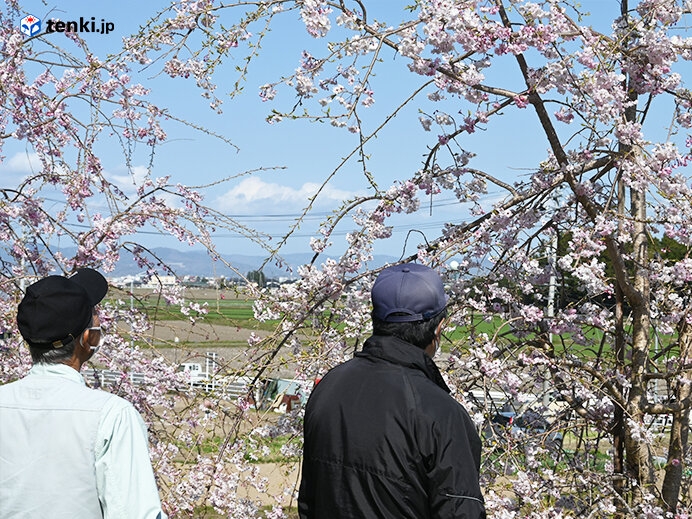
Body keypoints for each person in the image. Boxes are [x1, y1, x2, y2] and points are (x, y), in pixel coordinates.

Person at [298, 263, 485, 519]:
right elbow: (460, 511)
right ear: (439, 327)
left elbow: (310, 498)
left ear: (375, 318)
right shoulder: (441, 412)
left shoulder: (328, 387)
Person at [0, 268, 166, 519]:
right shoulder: (112, 415)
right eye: (94, 313)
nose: (99, 318)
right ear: (88, 338)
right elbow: (134, 513)